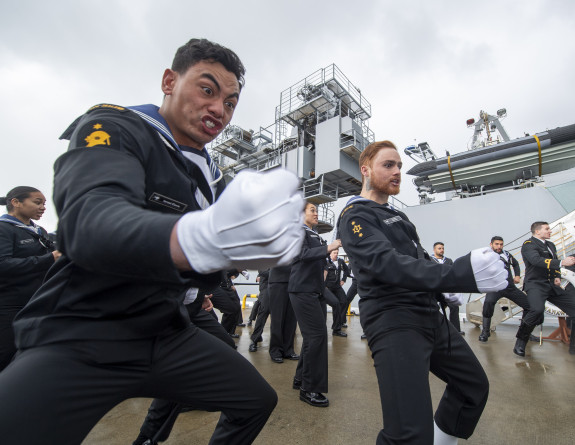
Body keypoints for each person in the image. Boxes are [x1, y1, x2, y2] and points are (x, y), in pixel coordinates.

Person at [0, 38, 305, 445]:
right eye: (207, 89)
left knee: (256, 399)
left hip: (166, 331)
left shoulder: (212, 176)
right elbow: (90, 223)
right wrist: (202, 238)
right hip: (85, 330)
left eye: (230, 103)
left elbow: (214, 256)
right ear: (169, 81)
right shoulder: (114, 127)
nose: (219, 109)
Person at [338, 140, 507, 444]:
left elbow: (420, 259)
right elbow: (387, 264)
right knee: (409, 433)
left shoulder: (400, 217)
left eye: (399, 166)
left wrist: (445, 290)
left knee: (473, 388)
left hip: (430, 315)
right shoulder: (355, 216)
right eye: (388, 165)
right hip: (395, 321)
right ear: (365, 170)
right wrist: (461, 274)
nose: (397, 171)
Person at [0, 186, 61, 371]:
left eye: (44, 203)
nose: (43, 207)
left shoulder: (40, 232)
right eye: (37, 202)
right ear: (16, 203)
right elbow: (3, 265)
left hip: (38, 303)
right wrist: (48, 259)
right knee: (6, 355)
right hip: (10, 306)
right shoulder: (4, 229)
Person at [289, 201, 341, 407]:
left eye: (317, 210)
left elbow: (321, 259)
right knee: (317, 337)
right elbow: (301, 255)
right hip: (302, 290)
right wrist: (329, 247)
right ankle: (309, 389)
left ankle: (301, 379)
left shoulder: (315, 234)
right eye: (313, 210)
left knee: (313, 338)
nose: (317, 213)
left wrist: (327, 261)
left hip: (314, 290)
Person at [512, 221, 575, 357]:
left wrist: (557, 275)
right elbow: (536, 260)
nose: (550, 231)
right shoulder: (528, 245)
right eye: (547, 229)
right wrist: (562, 263)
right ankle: (521, 341)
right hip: (536, 284)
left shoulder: (551, 245)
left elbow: (555, 260)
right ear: (537, 231)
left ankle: (573, 347)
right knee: (536, 310)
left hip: (551, 285)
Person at [479, 236, 531, 343]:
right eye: (496, 244)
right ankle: (485, 331)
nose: (499, 246)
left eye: (501, 244)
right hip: (495, 288)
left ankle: (525, 333)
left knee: (529, 306)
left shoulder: (506, 254)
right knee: (488, 303)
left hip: (509, 287)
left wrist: (517, 276)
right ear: (491, 244)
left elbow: (516, 264)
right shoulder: (485, 256)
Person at [430, 242, 464, 335]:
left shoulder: (448, 261)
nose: (441, 250)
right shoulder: (429, 260)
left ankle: (456, 331)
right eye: (439, 248)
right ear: (434, 250)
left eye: (442, 248)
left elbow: (453, 272)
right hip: (435, 288)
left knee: (454, 307)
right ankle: (434, 330)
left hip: (446, 289)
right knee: (432, 307)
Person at [268, 264, 299, 363]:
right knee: (278, 318)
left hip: (294, 280)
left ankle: (288, 350)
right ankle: (275, 350)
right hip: (278, 280)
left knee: (291, 318)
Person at [324, 248, 350, 336]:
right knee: (336, 304)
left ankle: (340, 322)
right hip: (328, 287)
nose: (336, 254)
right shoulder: (326, 262)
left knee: (344, 301)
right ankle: (336, 329)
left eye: (337, 253)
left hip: (337, 286)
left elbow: (347, 270)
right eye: (334, 253)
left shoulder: (340, 261)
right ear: (330, 254)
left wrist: (343, 280)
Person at [248, 269, 271, 352]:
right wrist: (276, 272)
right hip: (267, 287)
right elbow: (261, 270)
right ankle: (255, 339)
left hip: (280, 286)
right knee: (264, 311)